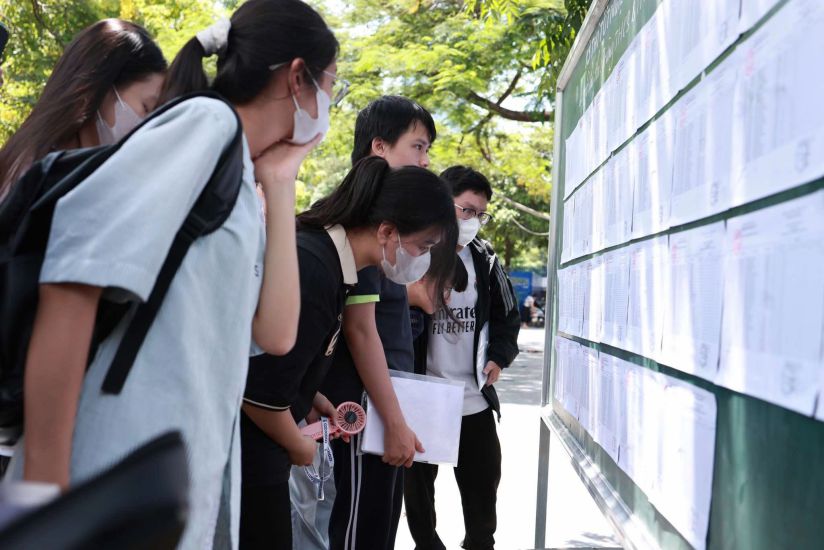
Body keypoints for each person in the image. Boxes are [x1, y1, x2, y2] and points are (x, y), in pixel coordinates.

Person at [7, 1, 339, 547]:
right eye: (330, 82)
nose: (329, 101)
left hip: (160, 485)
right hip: (103, 474)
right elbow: (72, 280)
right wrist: (42, 493)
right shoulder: (205, 126)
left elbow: (277, 334)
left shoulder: (234, 166)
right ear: (298, 76)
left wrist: (280, 181)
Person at [239, 156, 457, 549]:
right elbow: (257, 391)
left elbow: (285, 361)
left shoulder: (340, 269)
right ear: (387, 230)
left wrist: (312, 396)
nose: (422, 260)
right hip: (251, 455)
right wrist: (297, 443)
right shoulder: (316, 266)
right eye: (423, 245)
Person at [318, 95, 446, 550]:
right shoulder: (364, 223)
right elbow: (360, 328)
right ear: (379, 147)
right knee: (358, 530)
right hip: (356, 409)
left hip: (383, 399)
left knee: (379, 525)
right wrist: (392, 421)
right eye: (418, 146)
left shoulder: (386, 217)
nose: (425, 160)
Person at [404, 166, 521, 550]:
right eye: (466, 210)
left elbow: (507, 316)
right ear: (443, 204)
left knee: (482, 496)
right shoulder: (414, 254)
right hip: (425, 399)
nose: (473, 221)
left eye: (480, 214)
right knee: (419, 498)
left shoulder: (484, 259)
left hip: (473, 401)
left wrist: (499, 358)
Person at [0, 19, 166, 200]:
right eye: (147, 108)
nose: (150, 125)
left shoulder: (56, 166)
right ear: (103, 89)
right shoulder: (46, 177)